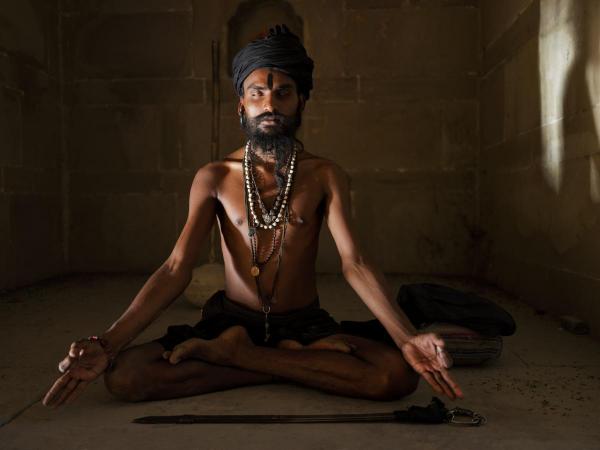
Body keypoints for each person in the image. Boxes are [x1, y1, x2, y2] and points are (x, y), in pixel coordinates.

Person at [43, 25, 463, 408]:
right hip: (231, 320)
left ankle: (240, 356)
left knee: (396, 377)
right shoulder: (213, 176)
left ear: (301, 102)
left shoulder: (325, 175)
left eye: (283, 92)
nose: (270, 104)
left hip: (304, 325)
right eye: (257, 92)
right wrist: (109, 342)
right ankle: (285, 362)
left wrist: (406, 337)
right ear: (240, 105)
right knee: (127, 378)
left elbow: (354, 263)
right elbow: (175, 268)